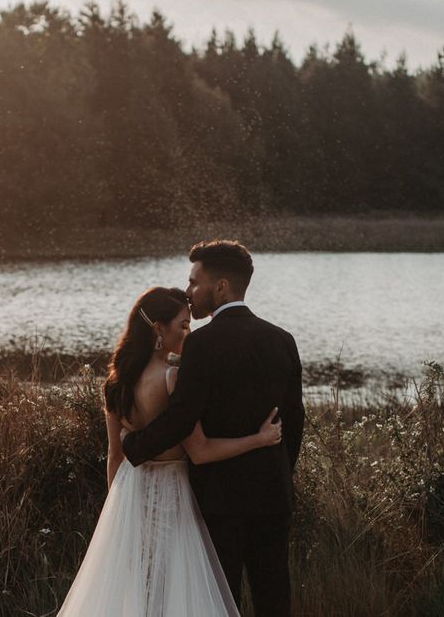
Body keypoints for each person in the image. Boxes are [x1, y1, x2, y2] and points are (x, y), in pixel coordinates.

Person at [57, 286, 282, 616]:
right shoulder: (172, 378)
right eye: (183, 325)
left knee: (138, 592)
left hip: (128, 495)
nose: (189, 332)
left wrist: (118, 514)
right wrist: (258, 439)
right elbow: (201, 451)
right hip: (171, 494)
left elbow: (115, 456)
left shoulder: (116, 383)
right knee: (174, 592)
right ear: (158, 329)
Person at [122, 241, 305, 617]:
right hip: (273, 495)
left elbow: (181, 418)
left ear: (220, 287)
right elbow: (295, 422)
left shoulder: (201, 345)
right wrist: (281, 475)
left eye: (194, 282)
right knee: (274, 601)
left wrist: (134, 445)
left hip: (221, 500)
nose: (189, 293)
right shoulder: (282, 340)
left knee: (221, 603)